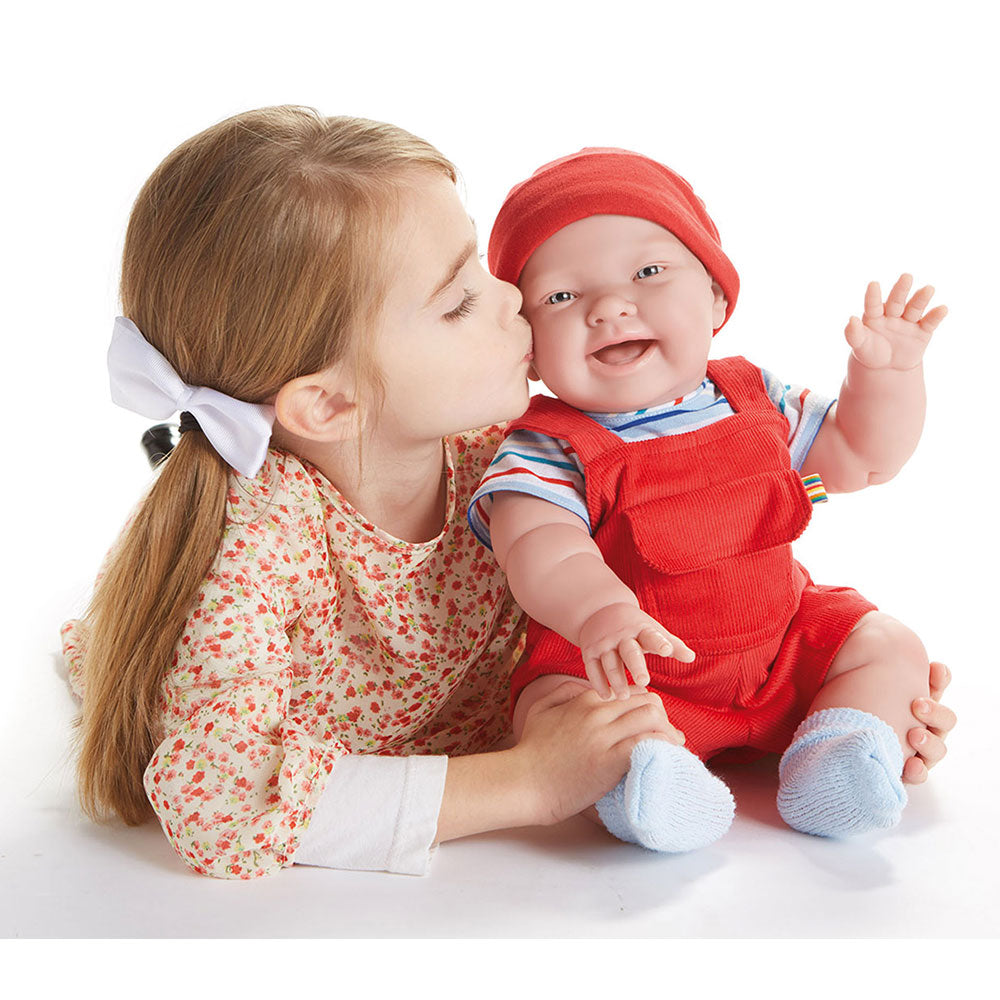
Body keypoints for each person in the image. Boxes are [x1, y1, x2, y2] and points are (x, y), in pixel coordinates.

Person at [61, 111, 955, 881]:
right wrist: (528, 782)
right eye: (459, 302)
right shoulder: (264, 547)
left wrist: (840, 691)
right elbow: (221, 800)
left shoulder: (493, 439)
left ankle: (845, 754)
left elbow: (749, 509)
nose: (517, 300)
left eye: (489, 271)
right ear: (329, 405)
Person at [471, 147, 952, 852]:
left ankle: (840, 753)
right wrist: (600, 614)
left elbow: (859, 459)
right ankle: (650, 783)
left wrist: (886, 376)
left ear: (718, 300)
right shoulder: (548, 446)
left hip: (783, 655)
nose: (610, 307)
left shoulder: (756, 397)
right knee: (556, 708)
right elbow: (538, 545)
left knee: (887, 643)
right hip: (628, 674)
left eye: (648, 272)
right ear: (530, 351)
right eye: (562, 298)